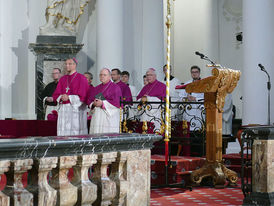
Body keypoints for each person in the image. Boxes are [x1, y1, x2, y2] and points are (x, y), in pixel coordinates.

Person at [52, 58, 90, 136]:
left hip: (75, 109)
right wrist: (61, 97)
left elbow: (83, 96)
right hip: (64, 109)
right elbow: (56, 94)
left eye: (69, 64)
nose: (67, 66)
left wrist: (69, 97)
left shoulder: (81, 78)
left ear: (75, 65)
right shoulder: (62, 79)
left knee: (74, 131)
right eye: (66, 64)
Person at [88, 68, 122, 133]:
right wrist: (93, 104)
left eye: (104, 75)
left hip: (108, 117)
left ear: (109, 76)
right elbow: (90, 100)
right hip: (97, 116)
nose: (102, 76)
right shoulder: (97, 88)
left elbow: (117, 103)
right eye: (100, 75)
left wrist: (103, 103)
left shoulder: (115, 87)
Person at [137, 68, 166, 133]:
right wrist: (142, 99)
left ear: (155, 76)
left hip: (155, 115)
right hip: (144, 115)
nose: (148, 77)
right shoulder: (145, 87)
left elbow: (163, 100)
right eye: (147, 75)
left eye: (150, 75)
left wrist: (148, 99)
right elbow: (138, 99)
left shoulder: (162, 86)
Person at [178, 66, 204, 131]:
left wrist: (195, 99)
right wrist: (186, 98)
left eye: (196, 72)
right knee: (188, 130)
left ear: (199, 73)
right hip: (188, 111)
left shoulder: (204, 84)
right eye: (192, 72)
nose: (194, 74)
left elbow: (206, 97)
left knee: (198, 130)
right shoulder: (187, 84)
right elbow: (181, 96)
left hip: (198, 111)